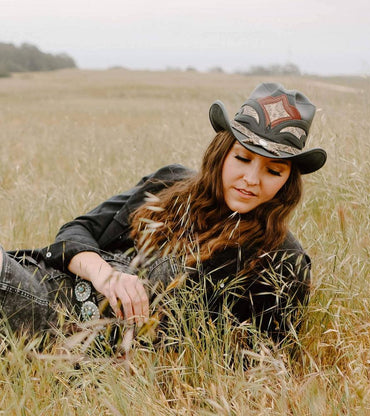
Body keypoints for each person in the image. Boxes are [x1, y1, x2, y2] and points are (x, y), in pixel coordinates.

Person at [0, 82, 326, 345]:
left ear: (288, 181)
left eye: (273, 170)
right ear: (221, 154)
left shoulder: (284, 261)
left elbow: (265, 361)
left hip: (73, 342)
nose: (251, 180)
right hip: (37, 286)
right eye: (242, 159)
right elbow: (76, 231)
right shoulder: (169, 183)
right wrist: (105, 274)